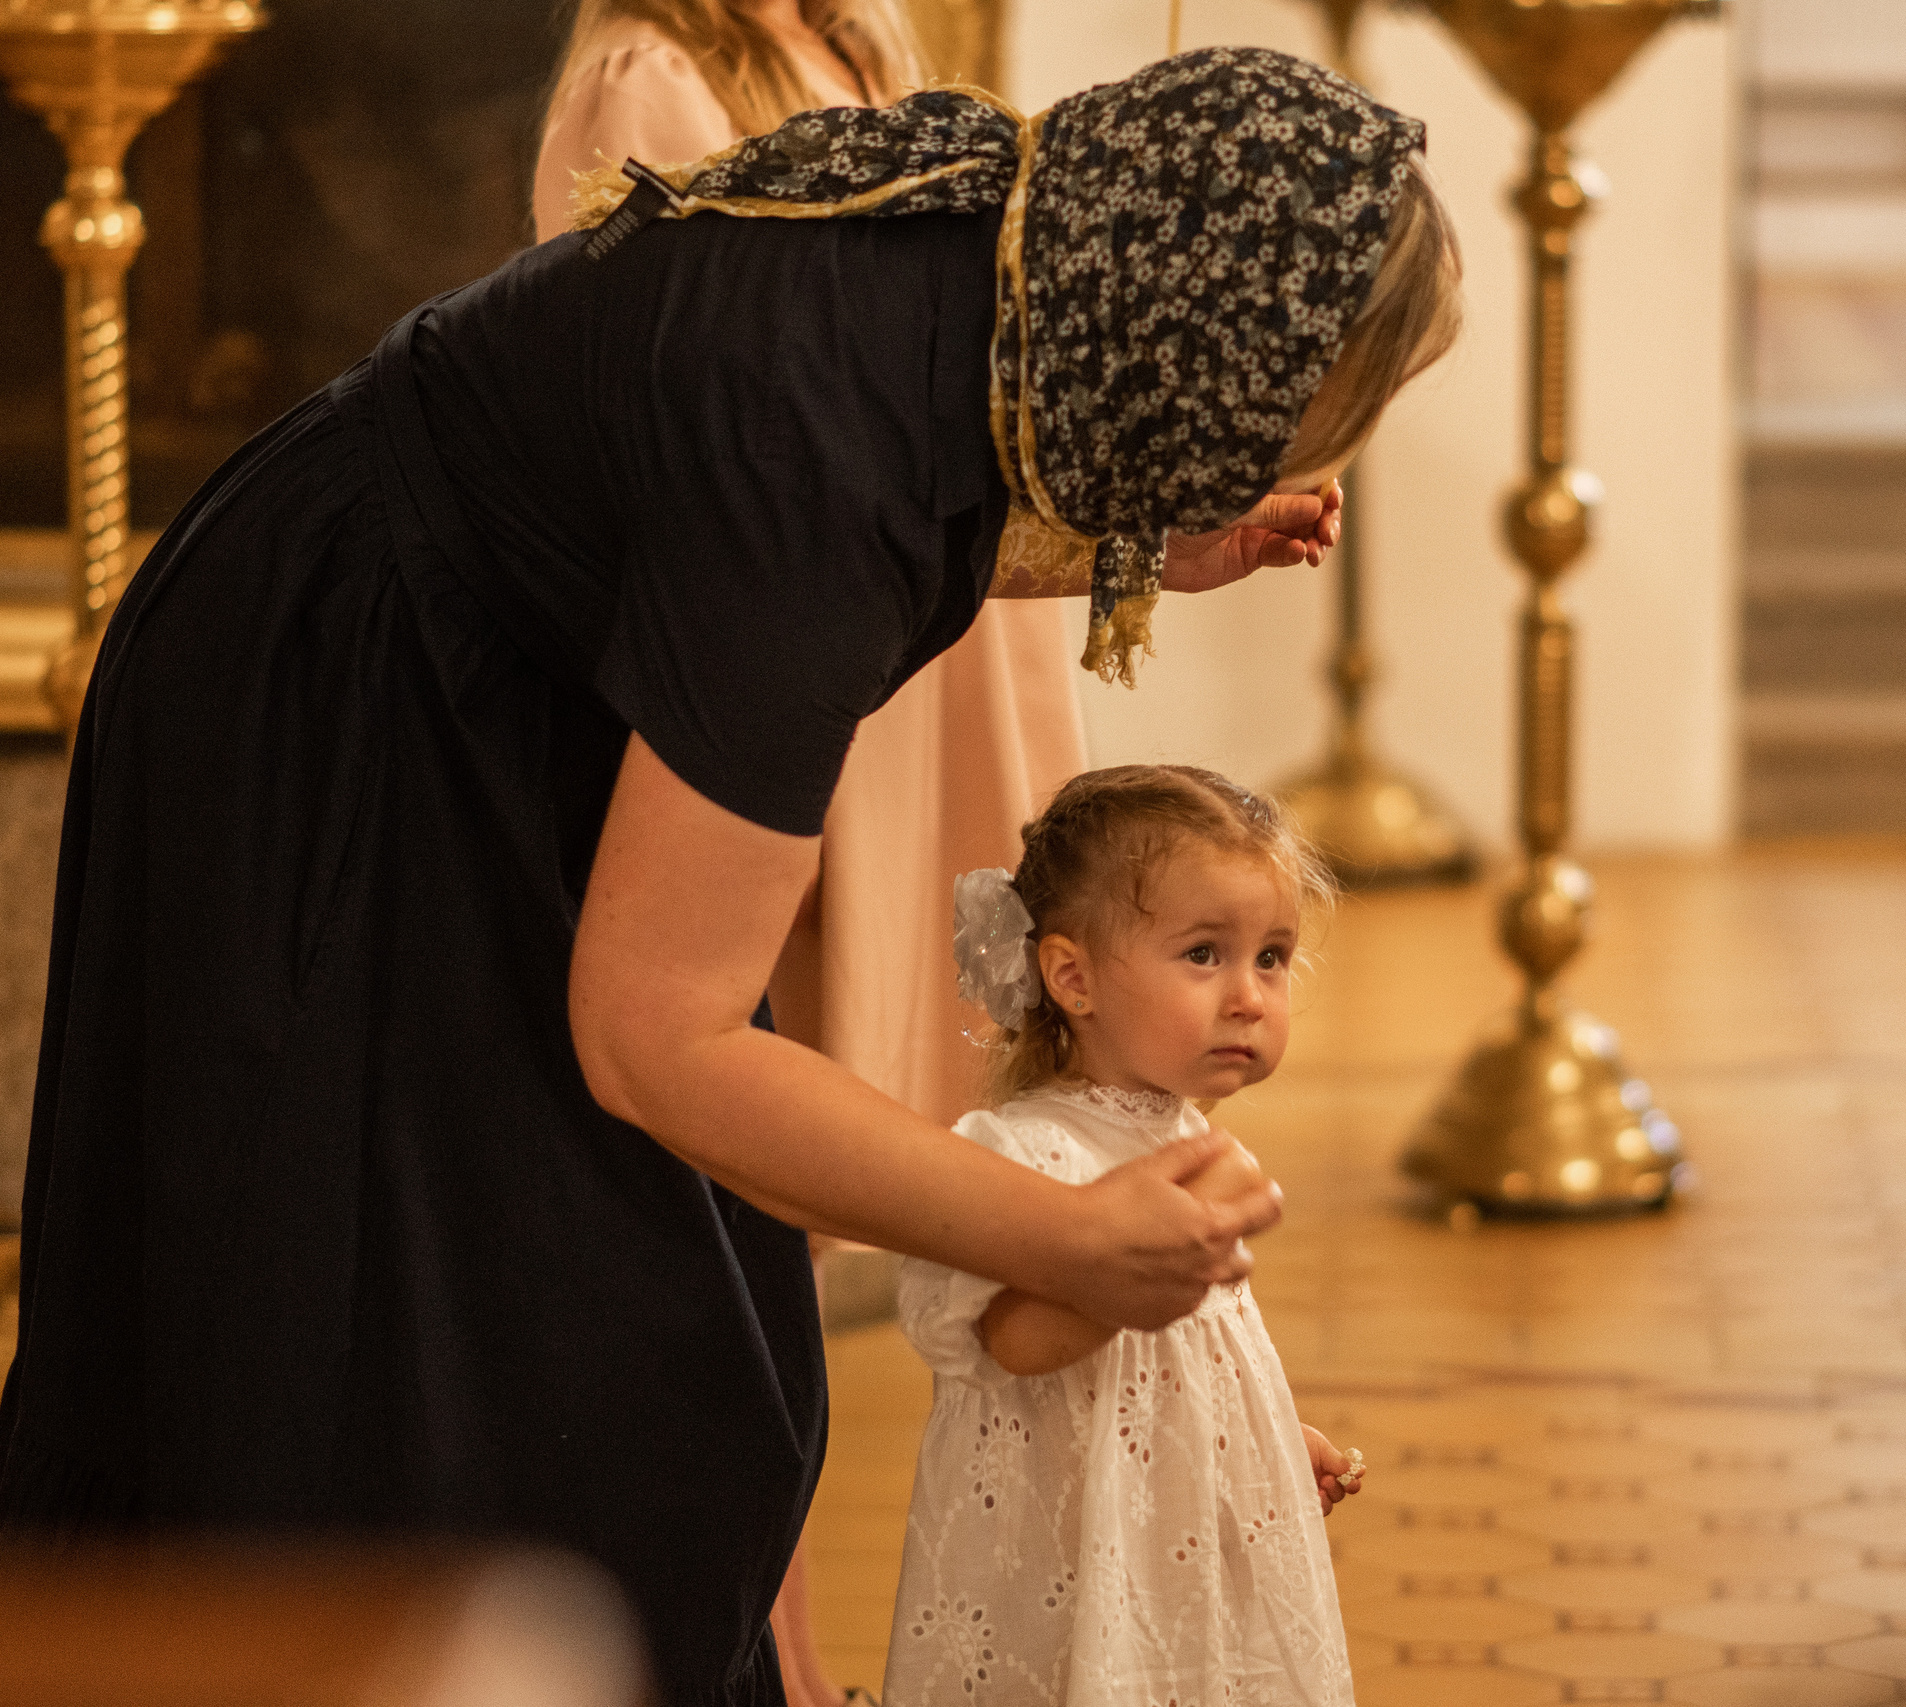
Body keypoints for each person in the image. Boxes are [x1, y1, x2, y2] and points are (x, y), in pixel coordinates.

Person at [0, 47, 1457, 1707]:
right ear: (1196, 361)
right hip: (330, 714)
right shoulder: (812, 442)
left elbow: (869, 498)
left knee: (618, 1349)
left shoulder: (997, 240)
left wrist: (1147, 538)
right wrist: (1061, 1236)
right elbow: (656, 1038)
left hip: (477, 684)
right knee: (386, 1337)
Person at [534, 0, 1070, 1132]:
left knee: (958, 973)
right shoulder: (653, 76)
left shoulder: (851, 49)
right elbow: (675, 395)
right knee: (810, 999)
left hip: (919, 598)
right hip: (813, 593)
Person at [890, 766, 1367, 1705]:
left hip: (1165, 1538)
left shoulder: (1182, 1135)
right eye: (1204, 954)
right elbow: (1011, 1342)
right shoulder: (1026, 1152)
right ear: (1072, 976)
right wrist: (1132, 1281)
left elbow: (1184, 1361)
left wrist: (1261, 1435)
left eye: (1271, 957)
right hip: (1074, 1550)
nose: (1250, 995)